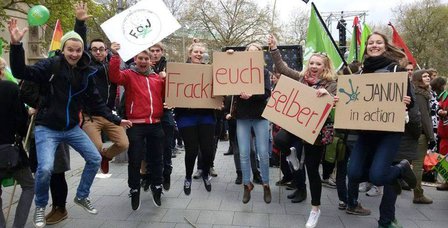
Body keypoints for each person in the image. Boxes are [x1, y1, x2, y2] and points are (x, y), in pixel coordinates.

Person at [8, 18, 131, 228]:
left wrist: (117, 119)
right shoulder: (50, 65)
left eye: (78, 50)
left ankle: (82, 196)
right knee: (45, 169)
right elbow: (21, 72)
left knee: (94, 159)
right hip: (47, 128)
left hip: (72, 127)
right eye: (70, 50)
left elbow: (97, 102)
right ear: (63, 49)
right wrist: (16, 45)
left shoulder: (86, 73)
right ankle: (40, 206)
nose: (74, 54)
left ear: (82, 51)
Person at [346, 32, 417, 228]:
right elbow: (352, 100)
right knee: (353, 173)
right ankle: (396, 173)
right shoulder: (360, 73)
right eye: (370, 43)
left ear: (385, 47)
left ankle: (400, 169)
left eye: (378, 42)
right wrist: (341, 101)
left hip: (388, 133)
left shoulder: (396, 69)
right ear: (366, 47)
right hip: (366, 132)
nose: (374, 45)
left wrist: (406, 101)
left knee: (378, 176)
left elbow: (410, 100)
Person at [269, 34, 338, 228]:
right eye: (312, 63)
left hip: (316, 132)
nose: (314, 66)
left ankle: (315, 209)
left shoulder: (331, 83)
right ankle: (293, 157)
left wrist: (329, 95)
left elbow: (338, 100)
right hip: (296, 125)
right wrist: (274, 49)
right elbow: (282, 68)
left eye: (318, 64)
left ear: (324, 67)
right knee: (280, 140)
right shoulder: (301, 77)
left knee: (312, 170)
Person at [73, 2, 129, 174]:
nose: (98, 52)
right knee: (95, 148)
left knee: (123, 144)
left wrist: (115, 54)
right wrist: (80, 23)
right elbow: (79, 49)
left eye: (101, 49)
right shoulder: (86, 66)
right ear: (89, 51)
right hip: (92, 116)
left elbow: (120, 69)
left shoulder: (110, 65)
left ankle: (106, 156)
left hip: (109, 113)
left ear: (106, 51)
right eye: (94, 49)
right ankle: (100, 155)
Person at [109, 42, 165, 210]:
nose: (143, 61)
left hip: (155, 124)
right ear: (135, 59)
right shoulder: (128, 75)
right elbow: (114, 77)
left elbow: (165, 95)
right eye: (140, 58)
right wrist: (115, 56)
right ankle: (134, 188)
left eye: (146, 58)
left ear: (150, 61)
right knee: (134, 159)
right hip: (136, 125)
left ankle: (157, 185)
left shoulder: (156, 78)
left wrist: (167, 79)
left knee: (157, 159)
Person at [175, 39, 215, 195]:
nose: (198, 54)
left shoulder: (210, 70)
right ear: (190, 54)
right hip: (187, 116)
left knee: (207, 150)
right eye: (195, 52)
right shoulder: (180, 70)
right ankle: (187, 177)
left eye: (201, 52)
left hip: (206, 116)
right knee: (191, 150)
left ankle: (205, 173)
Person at [0, 57, 34, 228]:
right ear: (2, 70)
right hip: (9, 150)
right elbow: (21, 122)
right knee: (29, 186)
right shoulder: (10, 88)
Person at [409, 70, 435, 204]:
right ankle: (418, 194)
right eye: (424, 76)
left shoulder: (421, 92)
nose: (428, 78)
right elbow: (425, 117)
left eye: (428, 76)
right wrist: (431, 137)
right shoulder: (420, 94)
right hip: (421, 134)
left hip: (417, 133)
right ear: (419, 78)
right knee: (418, 165)